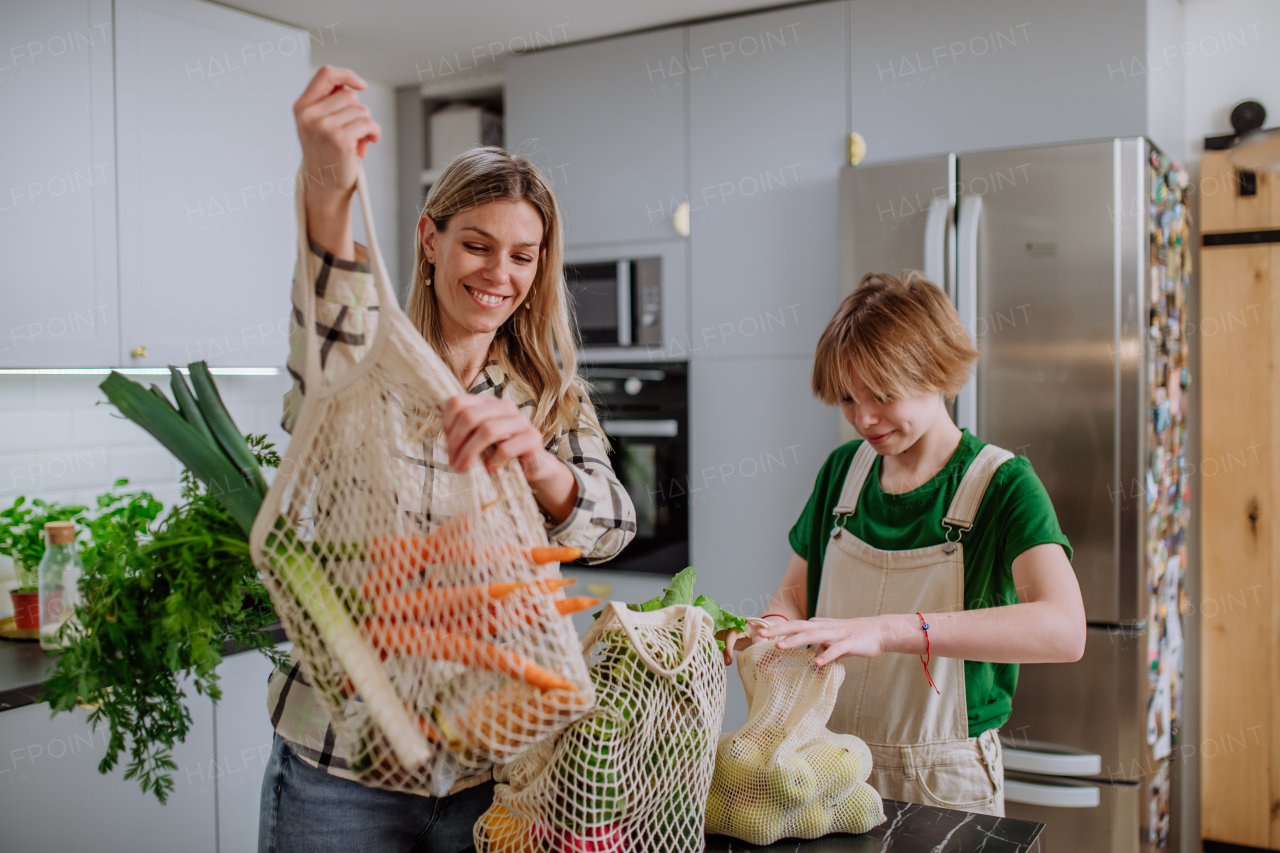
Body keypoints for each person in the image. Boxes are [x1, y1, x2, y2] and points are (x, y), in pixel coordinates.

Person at [258, 66, 636, 853]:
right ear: (430, 239)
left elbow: (611, 526)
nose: (500, 274)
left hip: (487, 767)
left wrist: (537, 461)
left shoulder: (546, 389)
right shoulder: (365, 352)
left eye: (523, 256)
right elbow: (327, 289)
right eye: (477, 244)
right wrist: (329, 181)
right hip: (340, 763)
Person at [724, 271, 1085, 817]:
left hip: (944, 777)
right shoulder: (843, 474)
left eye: (883, 395)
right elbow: (794, 595)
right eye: (847, 398)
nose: (863, 418)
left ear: (938, 372)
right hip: (825, 763)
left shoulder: (1003, 484)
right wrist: (769, 633)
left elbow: (1064, 630)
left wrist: (891, 629)